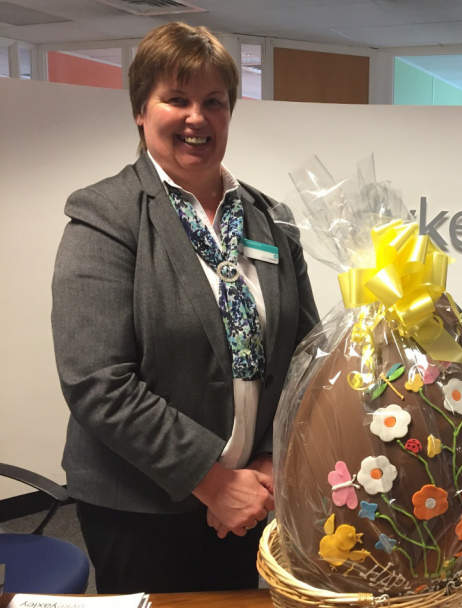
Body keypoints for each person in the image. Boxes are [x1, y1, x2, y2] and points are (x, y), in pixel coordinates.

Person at [51, 22, 319, 593]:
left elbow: (306, 354)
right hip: (142, 508)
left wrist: (271, 461)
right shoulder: (106, 216)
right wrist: (211, 480)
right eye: (176, 99)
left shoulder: (270, 218)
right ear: (141, 110)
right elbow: (97, 379)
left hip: (258, 496)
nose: (197, 117)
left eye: (214, 102)